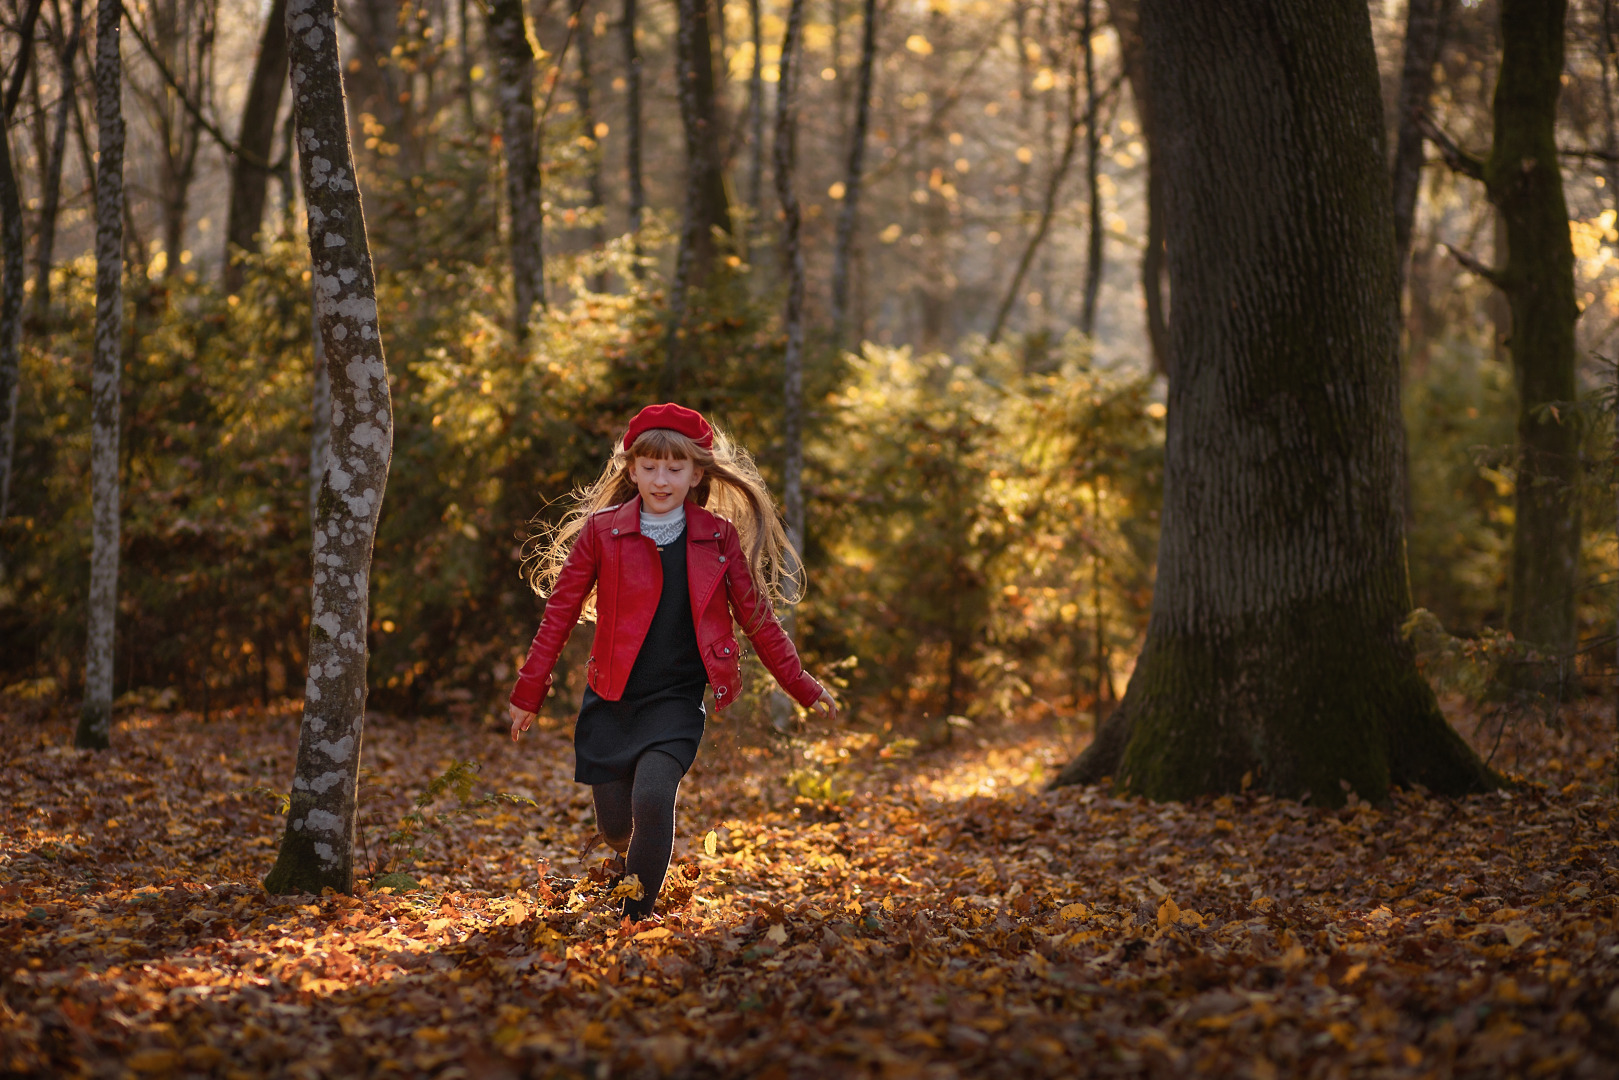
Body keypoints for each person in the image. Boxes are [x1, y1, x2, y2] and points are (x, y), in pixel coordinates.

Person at [508, 403, 838, 921]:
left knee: (655, 797)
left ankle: (634, 919)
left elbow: (759, 618)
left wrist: (803, 686)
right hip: (611, 699)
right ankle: (622, 861)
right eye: (650, 466)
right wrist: (528, 694)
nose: (662, 480)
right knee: (616, 825)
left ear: (697, 473)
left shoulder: (717, 537)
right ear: (632, 468)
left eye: (675, 468)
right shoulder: (602, 532)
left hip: (676, 702)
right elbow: (559, 615)